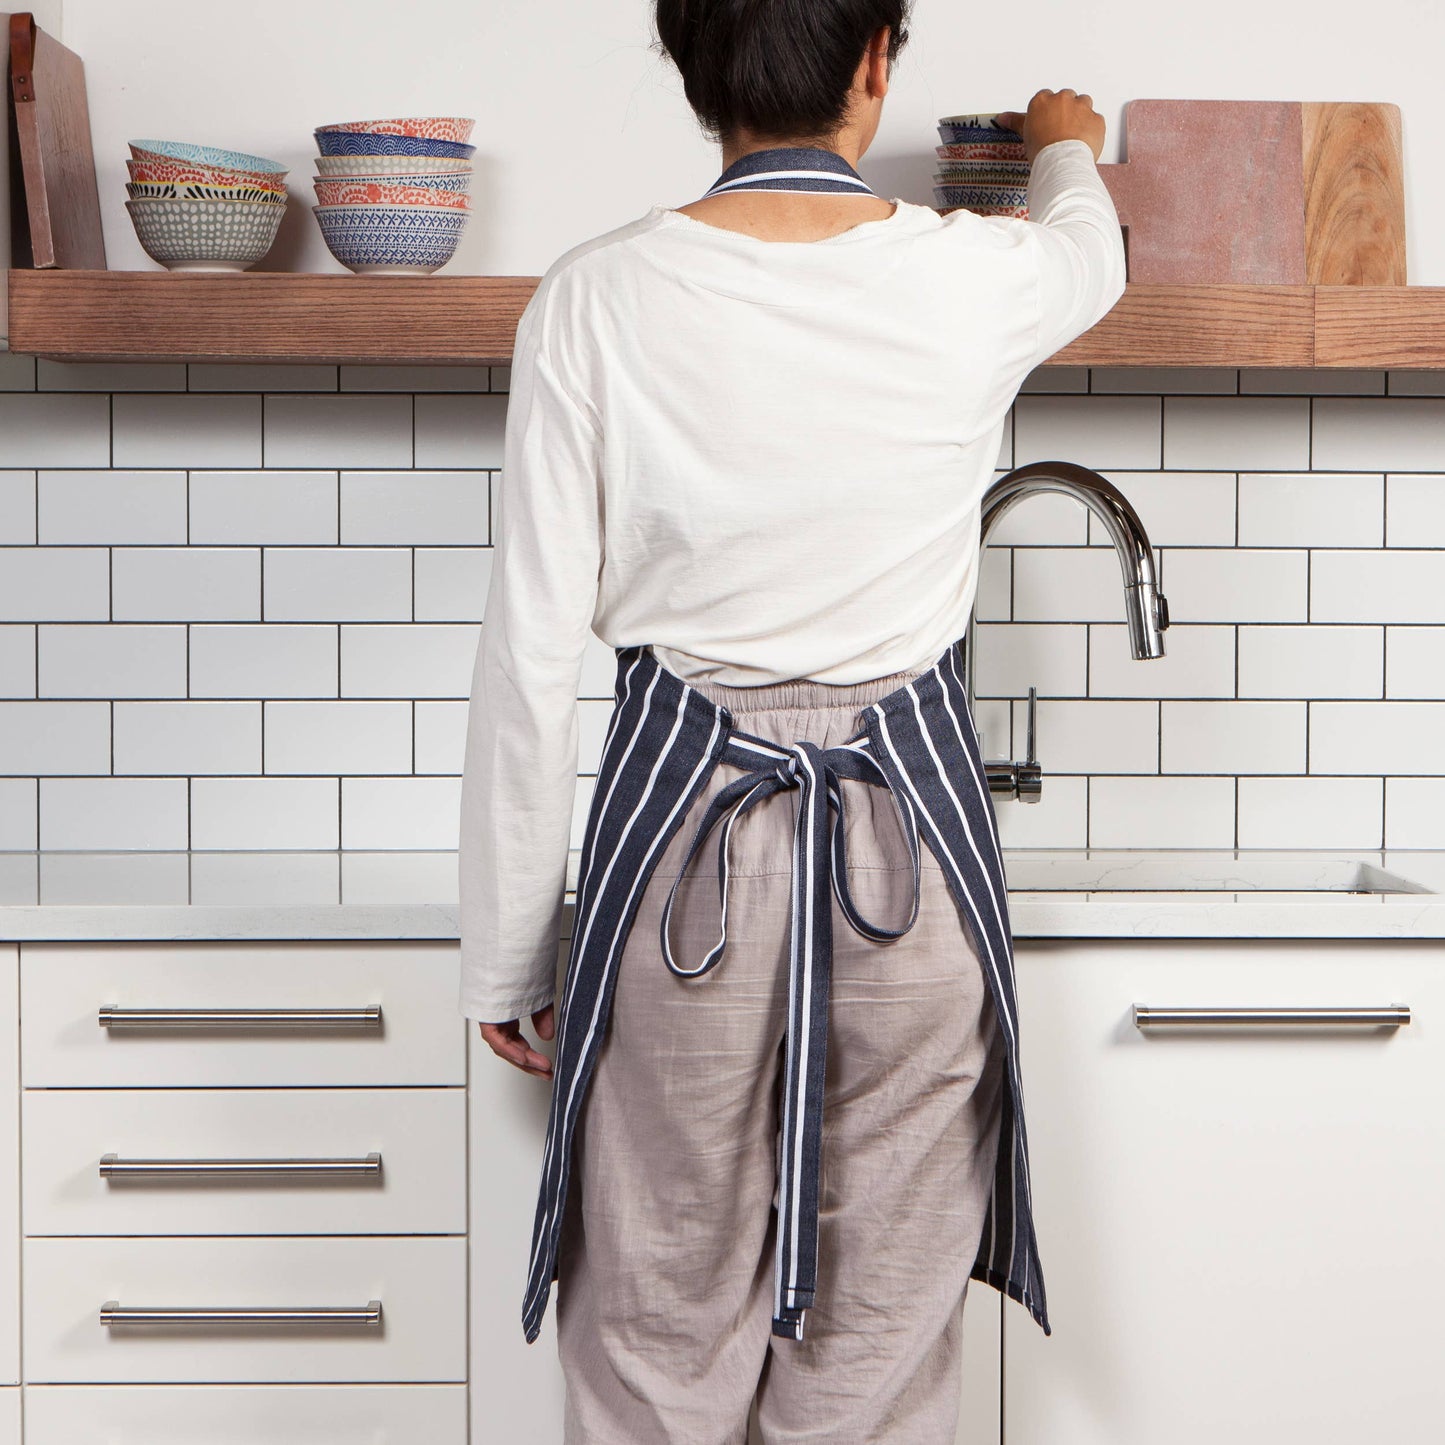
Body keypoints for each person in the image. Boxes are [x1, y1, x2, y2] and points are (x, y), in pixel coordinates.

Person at [458, 1, 1125, 1438]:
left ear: (691, 70)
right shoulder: (977, 275)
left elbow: (528, 654)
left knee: (648, 1334)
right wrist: (1064, 145)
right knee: (875, 1347)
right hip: (911, 869)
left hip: (676, 860)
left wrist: (512, 945)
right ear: (877, 61)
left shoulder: (594, 294)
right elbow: (1092, 249)